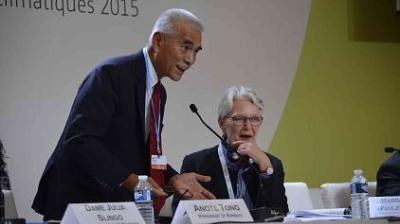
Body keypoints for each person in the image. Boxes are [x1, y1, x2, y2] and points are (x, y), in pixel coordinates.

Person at [32, 8, 215, 221]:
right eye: (185, 47)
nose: (191, 59)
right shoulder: (111, 74)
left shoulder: (159, 93)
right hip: (80, 204)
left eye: (196, 51)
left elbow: (140, 152)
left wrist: (173, 178)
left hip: (116, 209)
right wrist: (132, 181)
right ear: (158, 41)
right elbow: (80, 141)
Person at [173, 85, 288, 213]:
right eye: (239, 119)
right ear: (221, 123)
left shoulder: (272, 164)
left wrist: (267, 170)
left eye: (255, 119)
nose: (248, 127)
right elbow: (180, 214)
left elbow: (281, 213)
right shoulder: (196, 163)